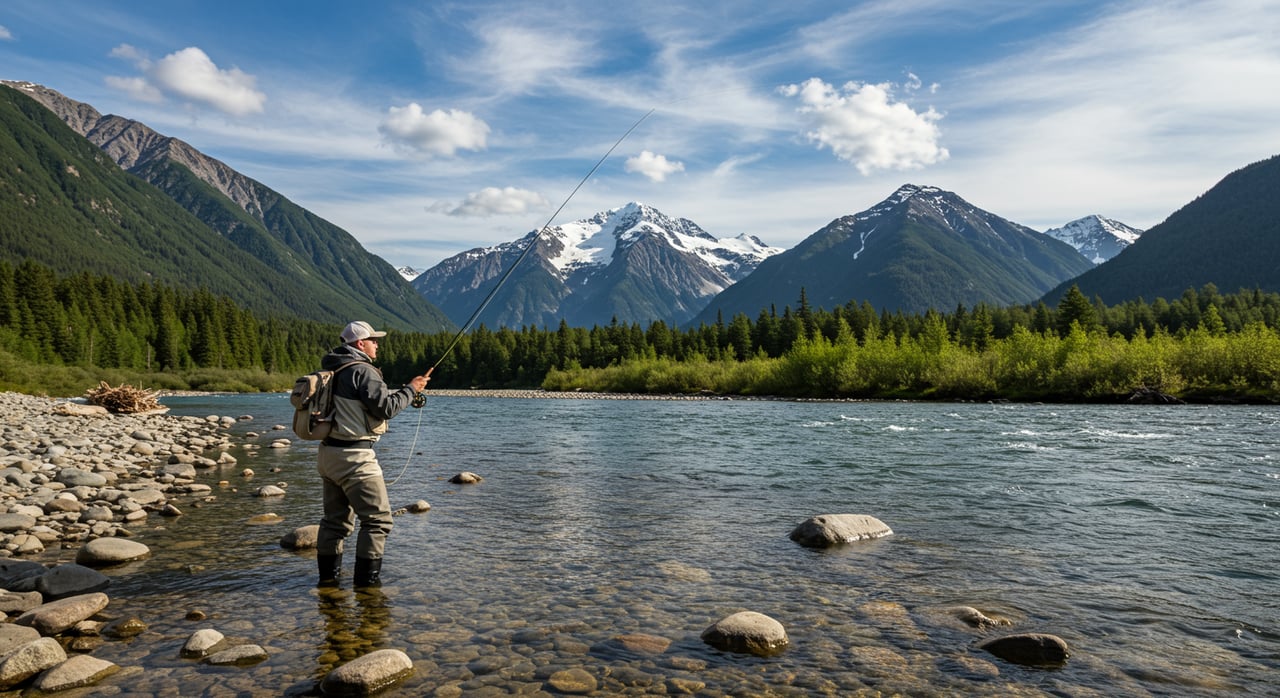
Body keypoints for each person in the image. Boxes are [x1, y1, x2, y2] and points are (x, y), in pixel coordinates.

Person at [315, 320, 430, 588]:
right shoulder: (362, 370)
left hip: (328, 455)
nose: (377, 344)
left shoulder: (334, 367)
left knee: (334, 523)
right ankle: (367, 586)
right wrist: (412, 389)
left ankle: (327, 583)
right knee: (378, 521)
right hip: (354, 459)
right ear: (360, 344)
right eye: (373, 340)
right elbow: (385, 409)